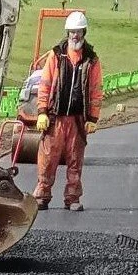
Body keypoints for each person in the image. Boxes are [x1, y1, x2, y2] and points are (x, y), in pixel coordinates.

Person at [33, 11, 103, 211]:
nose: (75, 36)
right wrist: (42, 112)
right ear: (67, 33)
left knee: (75, 159)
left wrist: (93, 118)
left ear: (84, 32)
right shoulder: (56, 55)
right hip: (55, 117)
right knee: (47, 159)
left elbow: (96, 90)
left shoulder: (92, 60)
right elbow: (45, 84)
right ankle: (42, 196)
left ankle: (72, 198)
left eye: (78, 32)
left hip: (78, 119)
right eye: (72, 32)